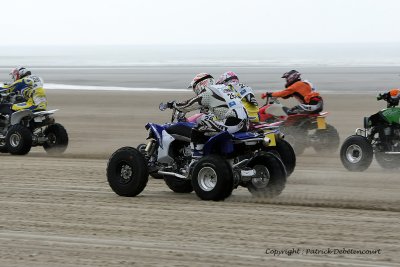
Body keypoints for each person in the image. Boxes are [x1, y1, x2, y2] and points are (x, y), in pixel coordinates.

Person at [168, 73, 248, 157]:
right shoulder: (224, 88)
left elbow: (188, 105)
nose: (196, 91)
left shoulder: (208, 91)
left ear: (201, 84)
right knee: (210, 126)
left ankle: (197, 159)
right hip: (244, 123)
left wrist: (174, 105)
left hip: (232, 123)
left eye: (195, 88)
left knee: (197, 128)